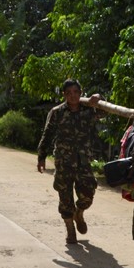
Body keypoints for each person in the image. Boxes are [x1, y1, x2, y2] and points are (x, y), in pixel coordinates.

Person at [37, 79, 103, 244]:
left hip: (83, 161)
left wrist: (100, 98)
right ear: (64, 95)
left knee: (88, 192)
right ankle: (70, 230)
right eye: (69, 93)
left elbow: (107, 111)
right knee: (65, 196)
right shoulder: (57, 112)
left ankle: (79, 213)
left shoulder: (89, 110)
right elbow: (47, 134)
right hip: (64, 161)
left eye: (76, 92)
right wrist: (41, 157)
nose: (72, 96)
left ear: (81, 93)